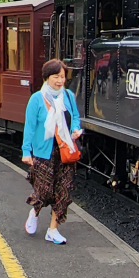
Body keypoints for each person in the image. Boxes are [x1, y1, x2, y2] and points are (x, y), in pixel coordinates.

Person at [20, 59, 82, 245]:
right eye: (56, 77)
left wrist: (75, 130)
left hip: (65, 151)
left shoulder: (69, 96)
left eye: (63, 77)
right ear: (47, 78)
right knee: (44, 191)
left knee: (63, 192)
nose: (60, 81)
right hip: (43, 152)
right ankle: (35, 212)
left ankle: (53, 230)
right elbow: (29, 128)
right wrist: (26, 151)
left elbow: (76, 117)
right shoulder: (37, 99)